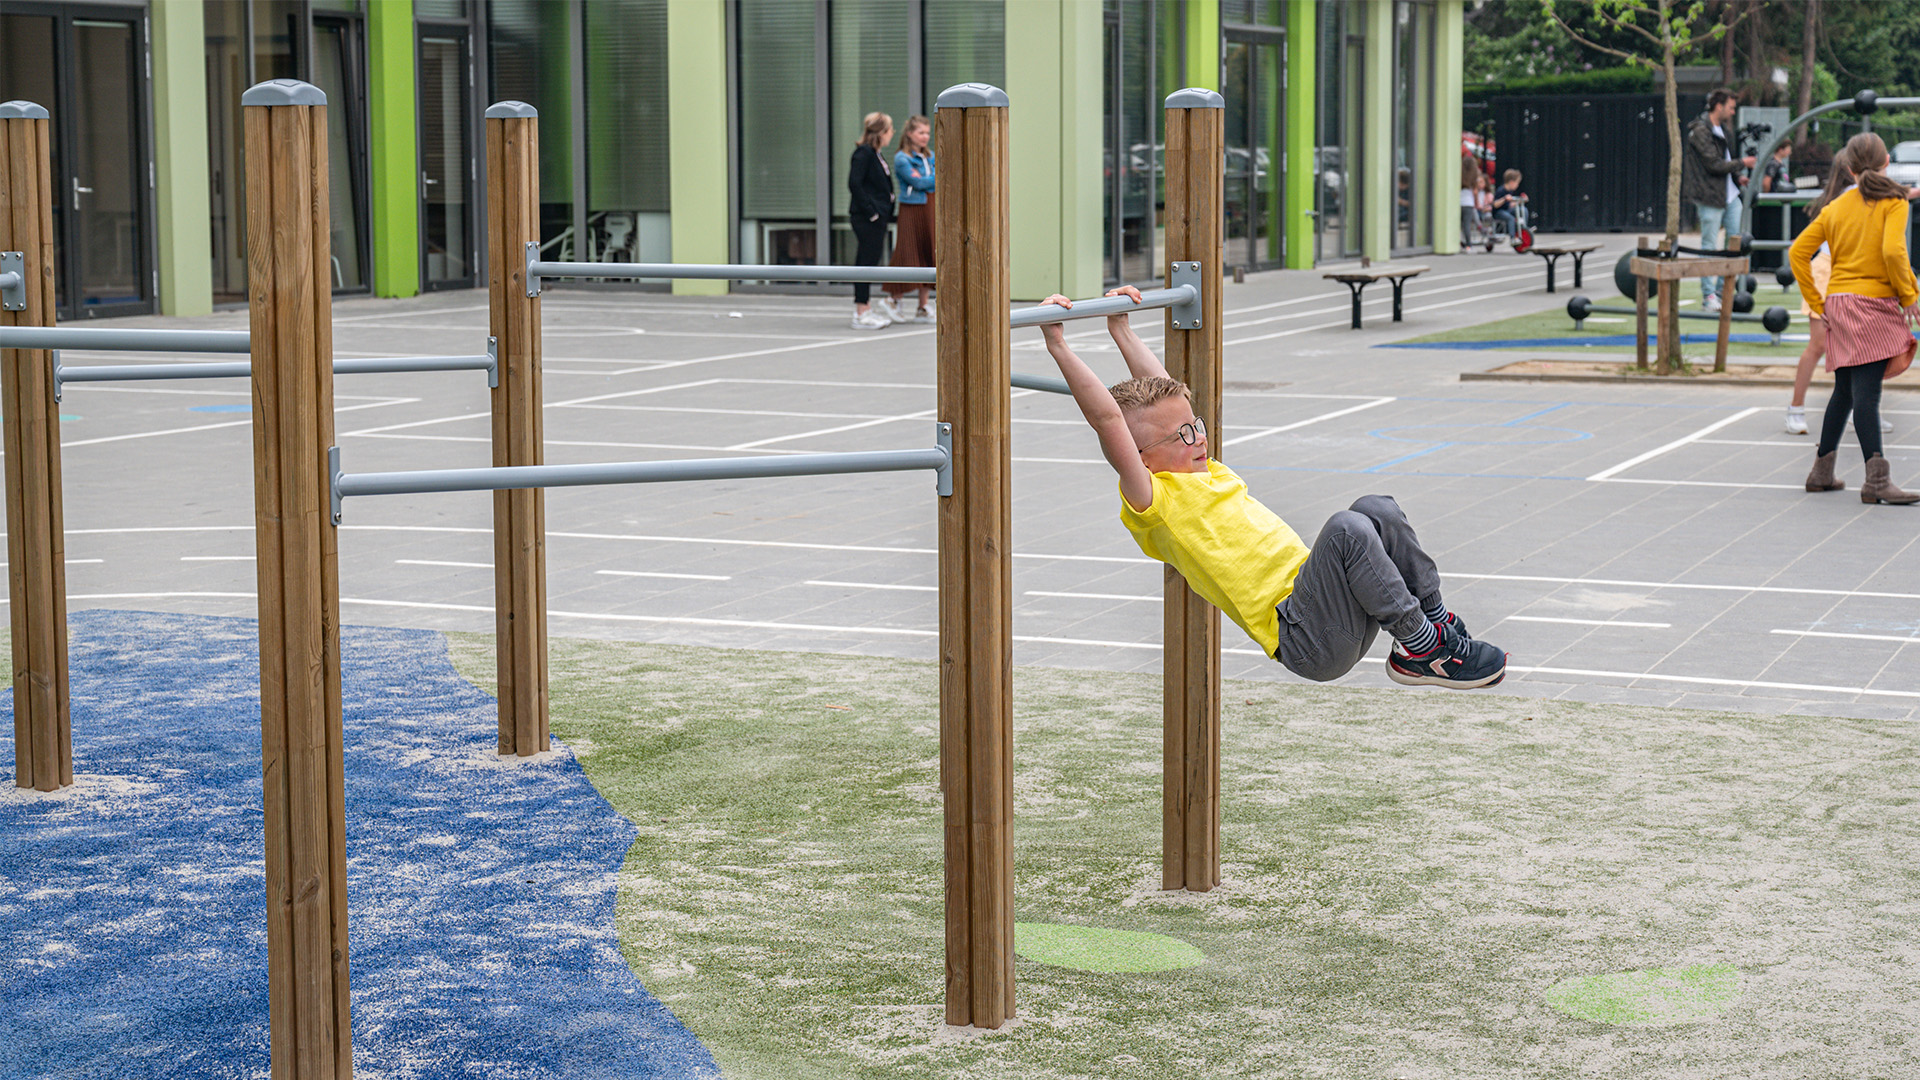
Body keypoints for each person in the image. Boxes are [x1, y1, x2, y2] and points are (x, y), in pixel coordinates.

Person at [1034, 287, 1509, 689]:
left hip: (1333, 608)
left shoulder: (1205, 469)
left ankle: (1435, 628)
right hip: (1307, 637)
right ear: (1140, 458)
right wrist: (1059, 345)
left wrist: (1123, 329)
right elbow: (1107, 417)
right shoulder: (1154, 500)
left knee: (1375, 508)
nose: (1198, 438)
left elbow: (1164, 390)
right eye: (1181, 437)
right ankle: (1424, 648)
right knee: (1347, 528)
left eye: (1196, 426)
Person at [1790, 132, 1920, 504]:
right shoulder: (1894, 201)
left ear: (1847, 168)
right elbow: (1894, 252)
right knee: (1867, 393)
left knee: (1845, 391)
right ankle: (1877, 481)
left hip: (1840, 302)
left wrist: (1818, 301)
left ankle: (1821, 472)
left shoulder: (1835, 208)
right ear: (1886, 163)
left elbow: (1798, 252)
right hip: (1872, 304)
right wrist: (1909, 296)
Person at [1683, 89, 1757, 313]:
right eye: (1731, 107)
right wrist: (1742, 163)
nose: (1733, 112)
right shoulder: (1700, 131)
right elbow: (1713, 164)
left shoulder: (1723, 130)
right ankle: (1708, 296)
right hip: (1708, 195)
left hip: (1731, 194)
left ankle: (1723, 292)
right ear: (1719, 106)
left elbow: (1725, 161)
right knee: (1709, 245)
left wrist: (1737, 177)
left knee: (1735, 243)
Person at [883, 114, 936, 323]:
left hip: (930, 208)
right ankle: (893, 299)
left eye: (927, 133)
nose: (925, 137)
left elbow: (926, 181)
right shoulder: (902, 158)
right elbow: (921, 183)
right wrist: (938, 177)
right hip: (912, 210)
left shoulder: (929, 156)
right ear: (910, 134)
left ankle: (922, 306)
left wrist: (931, 179)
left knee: (926, 252)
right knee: (907, 254)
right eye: (921, 132)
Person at [847, 111, 896, 331]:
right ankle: (860, 311)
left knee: (870, 261)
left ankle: (865, 307)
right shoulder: (864, 154)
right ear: (881, 132)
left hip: (877, 217)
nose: (892, 133)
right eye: (890, 129)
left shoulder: (876, 154)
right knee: (865, 262)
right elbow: (855, 184)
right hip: (867, 219)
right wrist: (872, 213)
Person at [1489, 169, 1527, 240]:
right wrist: (1504, 199)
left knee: (1523, 210)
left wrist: (1520, 201)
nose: (1517, 185)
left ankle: (1523, 230)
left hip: (1506, 210)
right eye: (1517, 183)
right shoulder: (1501, 190)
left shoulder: (1510, 191)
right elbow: (1495, 205)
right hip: (1498, 212)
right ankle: (1512, 238)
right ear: (1512, 182)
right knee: (1511, 219)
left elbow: (1510, 205)